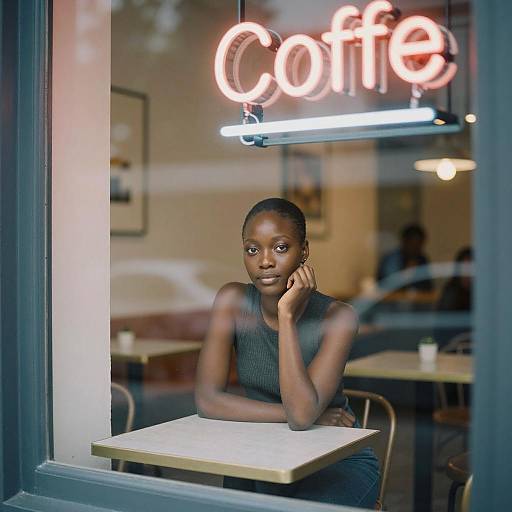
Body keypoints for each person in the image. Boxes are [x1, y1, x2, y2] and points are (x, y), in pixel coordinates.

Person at [195, 198, 380, 508]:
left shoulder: (338, 317)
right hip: (260, 453)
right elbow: (207, 400)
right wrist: (312, 416)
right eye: (252, 249)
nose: (264, 261)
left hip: (334, 460)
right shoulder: (232, 300)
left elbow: (301, 414)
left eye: (280, 248)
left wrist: (286, 315)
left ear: (303, 251)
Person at [377, 223, 433, 292]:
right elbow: (390, 285)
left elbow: (428, 287)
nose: (415, 249)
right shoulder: (392, 260)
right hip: (391, 301)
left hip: (417, 301)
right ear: (404, 241)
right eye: (412, 244)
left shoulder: (422, 259)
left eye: (419, 245)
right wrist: (407, 274)